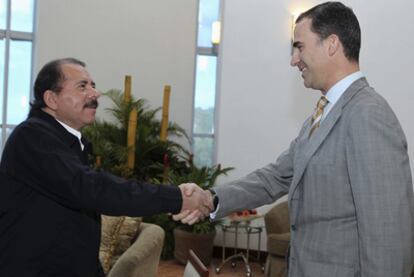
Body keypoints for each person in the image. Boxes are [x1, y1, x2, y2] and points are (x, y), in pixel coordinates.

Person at [175, 2, 414, 276]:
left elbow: (388, 235)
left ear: (332, 44)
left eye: (299, 46)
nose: (293, 59)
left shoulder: (368, 114)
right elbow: (276, 177)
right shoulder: (324, 112)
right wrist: (211, 198)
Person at [0, 58, 211, 277]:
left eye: (92, 85)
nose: (95, 93)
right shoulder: (32, 137)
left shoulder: (67, 141)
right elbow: (94, 189)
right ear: (52, 99)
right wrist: (177, 198)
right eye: (82, 86)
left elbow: (79, 227)